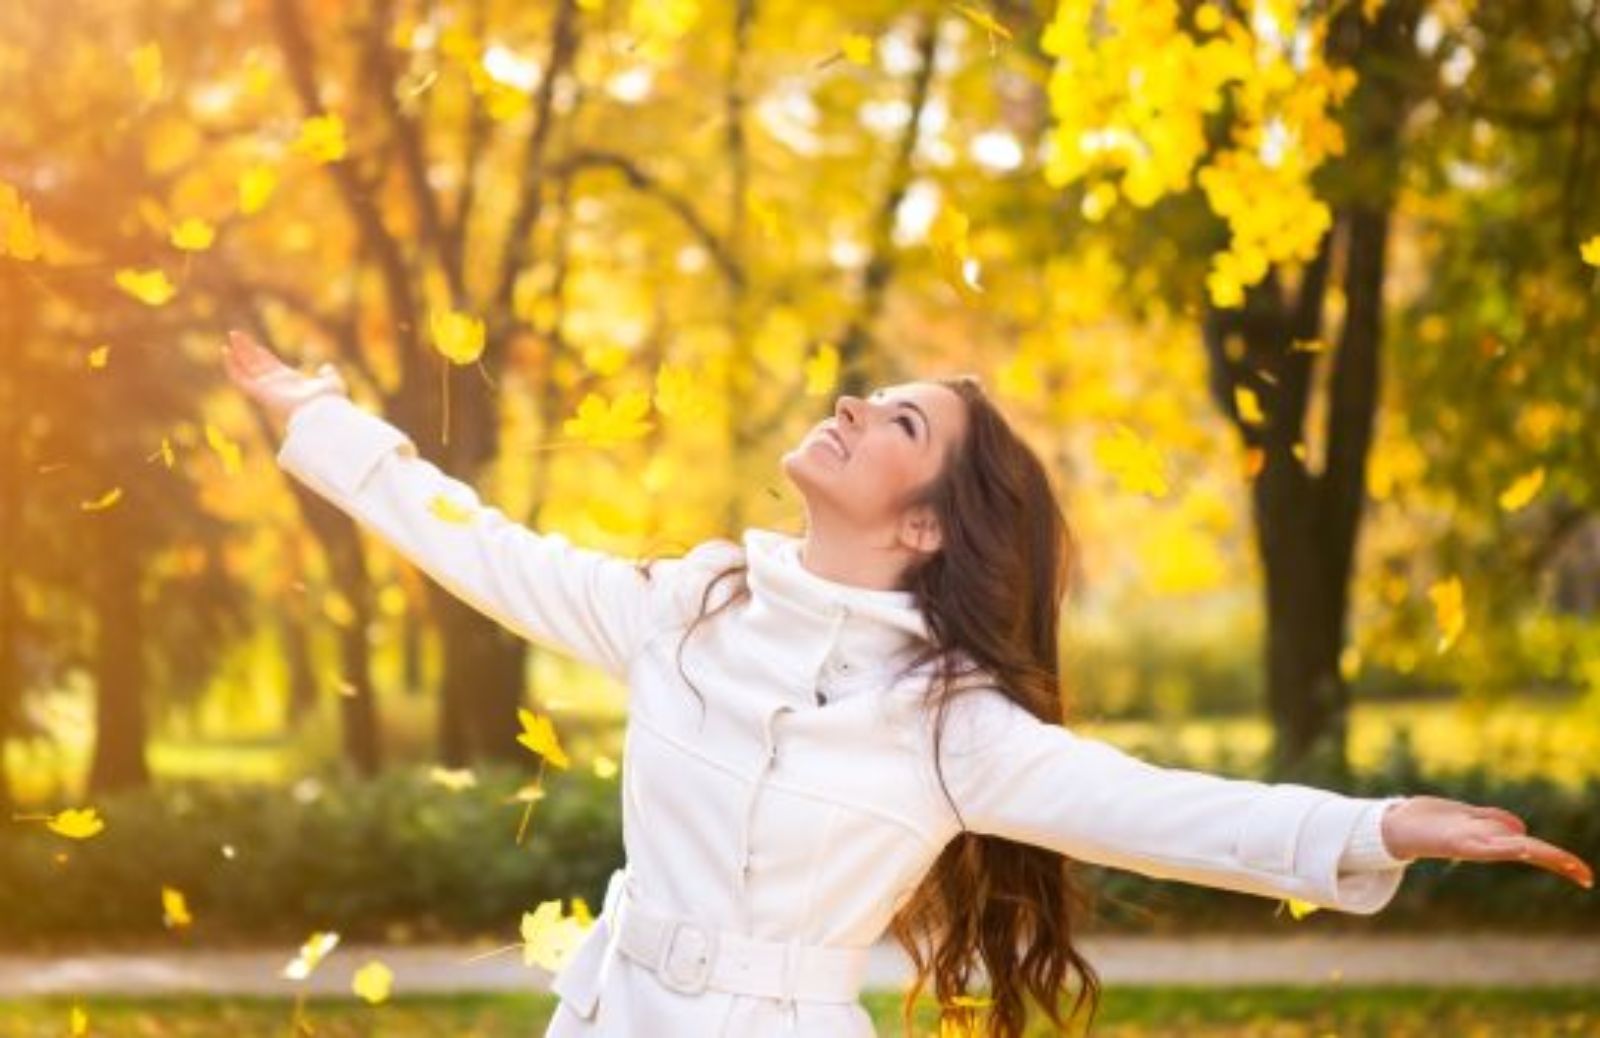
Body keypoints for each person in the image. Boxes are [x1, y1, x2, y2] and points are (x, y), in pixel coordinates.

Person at [222, 328, 1592, 1038]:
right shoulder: (688, 610)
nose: (854, 407)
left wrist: (1373, 828)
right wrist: (327, 422)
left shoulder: (950, 727)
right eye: (874, 396)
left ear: (927, 522)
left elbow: (1158, 806)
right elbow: (489, 550)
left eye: (899, 421)